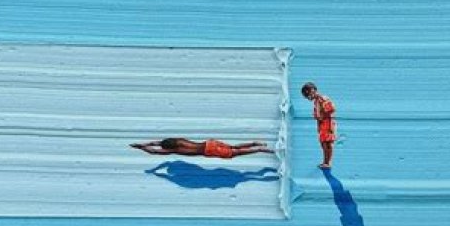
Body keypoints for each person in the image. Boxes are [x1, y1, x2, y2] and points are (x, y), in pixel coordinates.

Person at [301, 82, 337, 169]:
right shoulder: (316, 101)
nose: (308, 97)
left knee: (328, 143)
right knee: (323, 143)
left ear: (313, 91)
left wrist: (321, 116)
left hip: (327, 123)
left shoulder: (322, 98)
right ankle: (325, 162)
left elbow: (331, 109)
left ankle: (328, 162)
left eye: (309, 94)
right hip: (322, 124)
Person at [130, 138, 274, 159]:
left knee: (234, 153)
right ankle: (255, 143)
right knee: (233, 146)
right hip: (209, 143)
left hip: (209, 151)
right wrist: (143, 144)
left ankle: (260, 149)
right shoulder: (178, 140)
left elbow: (155, 151)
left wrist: (141, 148)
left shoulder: (175, 150)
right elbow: (156, 143)